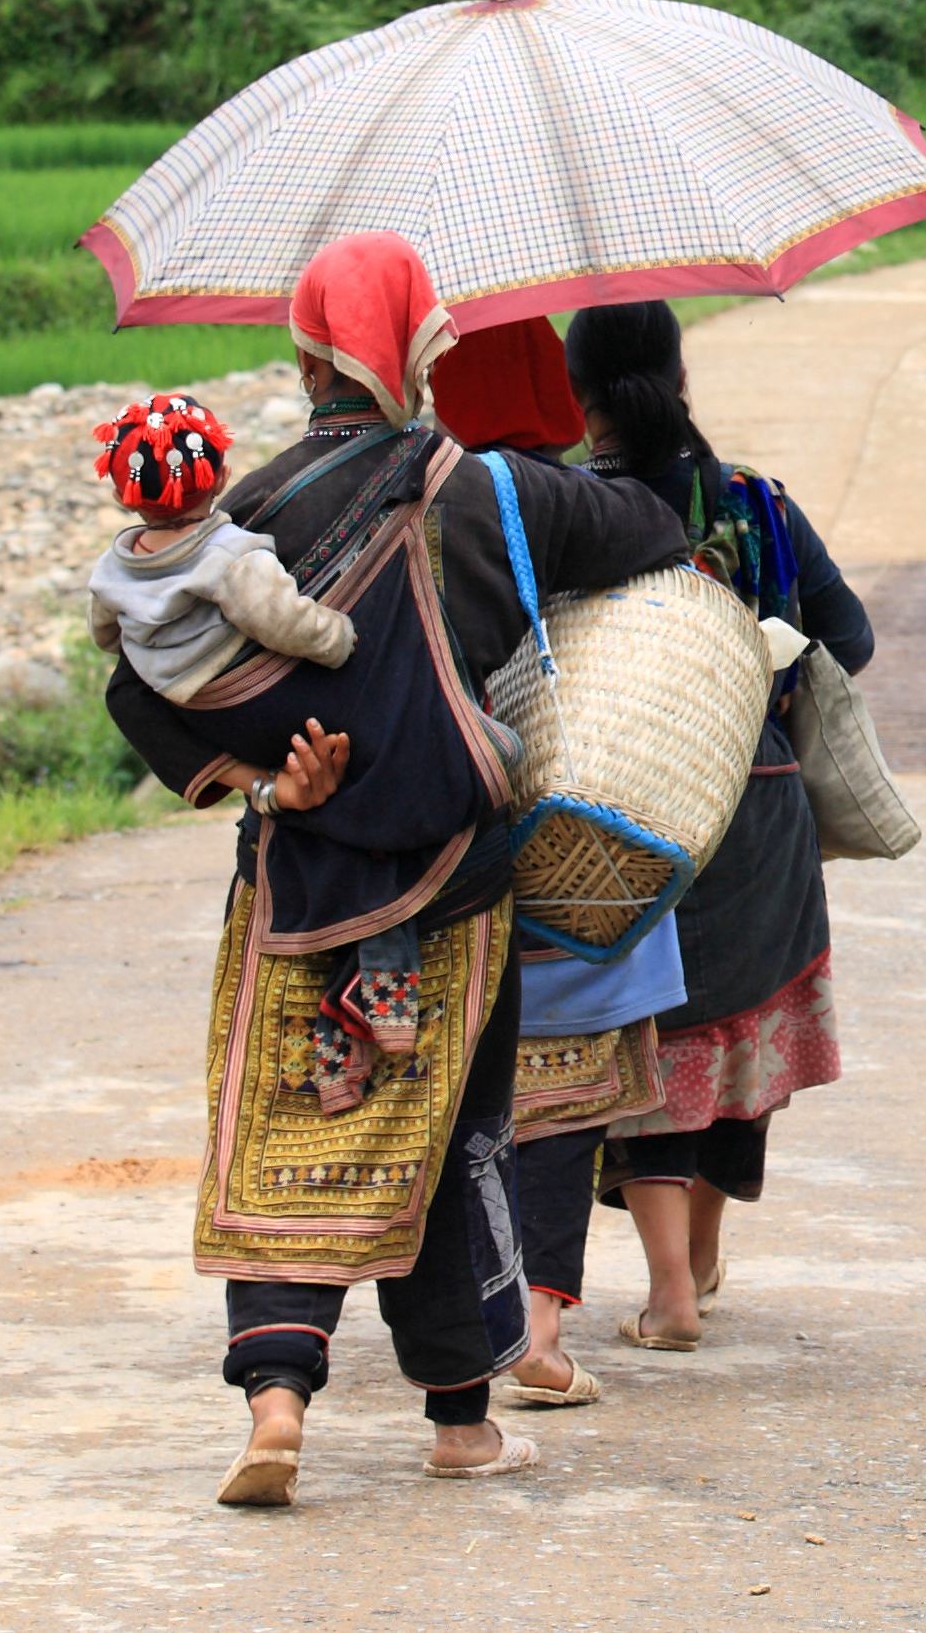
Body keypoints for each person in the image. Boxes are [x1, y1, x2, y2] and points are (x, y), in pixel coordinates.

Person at [102, 240, 687, 1506]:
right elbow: (649, 528)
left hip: (298, 879)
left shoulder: (238, 514)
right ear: (427, 348)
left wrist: (258, 786)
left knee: (284, 1125)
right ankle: (461, 1424)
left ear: (305, 353)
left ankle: (275, 1404)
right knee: (449, 1140)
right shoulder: (487, 492)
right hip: (454, 878)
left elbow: (134, 688)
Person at [564, 300, 876, 1351]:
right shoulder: (754, 503)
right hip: (761, 800)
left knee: (647, 1031)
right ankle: (695, 1256)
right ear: (678, 365)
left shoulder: (563, 505)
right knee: (732, 1027)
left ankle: (670, 1290)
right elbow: (852, 636)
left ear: (579, 388)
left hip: (624, 809)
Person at [424, 317, 675, 1413]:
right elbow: (665, 542)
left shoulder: (408, 492)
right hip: (569, 827)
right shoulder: (568, 501)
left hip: (438, 831)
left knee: (461, 1094)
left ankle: (450, 1315)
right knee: (563, 1099)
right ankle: (532, 1318)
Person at [84, 392, 424, 1076]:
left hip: (193, 707)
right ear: (215, 475)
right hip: (268, 699)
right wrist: (342, 641)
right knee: (389, 780)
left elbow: (103, 634)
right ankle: (382, 984)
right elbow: (286, 622)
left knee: (323, 812)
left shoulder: (115, 568)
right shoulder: (230, 554)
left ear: (126, 495)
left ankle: (325, 979)